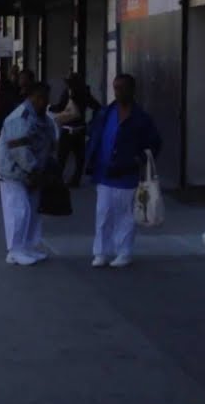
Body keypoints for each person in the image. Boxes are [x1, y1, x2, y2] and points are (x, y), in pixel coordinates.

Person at [85, 73, 162, 268]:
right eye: (115, 88)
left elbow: (155, 144)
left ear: (132, 90)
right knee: (103, 215)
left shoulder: (141, 118)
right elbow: (94, 134)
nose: (118, 92)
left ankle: (124, 252)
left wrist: (139, 159)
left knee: (126, 216)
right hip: (104, 174)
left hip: (127, 175)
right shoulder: (105, 113)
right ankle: (101, 252)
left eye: (122, 88)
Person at [0, 80, 57, 265]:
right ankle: (14, 250)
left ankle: (28, 246)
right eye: (41, 98)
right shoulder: (19, 118)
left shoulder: (40, 116)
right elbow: (19, 150)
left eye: (46, 98)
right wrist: (35, 169)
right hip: (14, 172)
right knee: (18, 211)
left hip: (32, 172)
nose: (45, 102)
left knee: (32, 212)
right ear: (32, 97)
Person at [52, 73, 100, 187]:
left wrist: (50, 108)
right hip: (80, 129)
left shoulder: (68, 93)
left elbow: (60, 107)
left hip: (68, 129)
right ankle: (75, 180)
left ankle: (57, 180)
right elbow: (97, 107)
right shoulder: (85, 93)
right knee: (79, 158)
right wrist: (92, 121)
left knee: (62, 157)